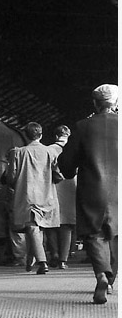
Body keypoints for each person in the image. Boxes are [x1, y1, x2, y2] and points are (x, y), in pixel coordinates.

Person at [57, 84, 118, 304]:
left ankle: (102, 274)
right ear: (116, 103)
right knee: (116, 235)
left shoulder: (83, 127)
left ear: (95, 103)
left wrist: (71, 168)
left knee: (94, 235)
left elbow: (67, 165)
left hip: (92, 189)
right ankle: (111, 280)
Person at [3, 122, 61, 274]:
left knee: (32, 228)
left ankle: (42, 262)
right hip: (46, 196)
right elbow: (58, 175)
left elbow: (11, 178)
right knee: (36, 229)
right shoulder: (50, 152)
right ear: (40, 135)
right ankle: (31, 260)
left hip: (26, 196)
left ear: (26, 135)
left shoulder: (18, 152)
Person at [47, 125, 76, 269]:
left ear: (55, 136)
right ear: (68, 135)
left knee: (51, 226)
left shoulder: (49, 150)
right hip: (71, 190)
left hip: (52, 189)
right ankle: (63, 260)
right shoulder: (74, 149)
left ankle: (54, 255)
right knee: (67, 226)